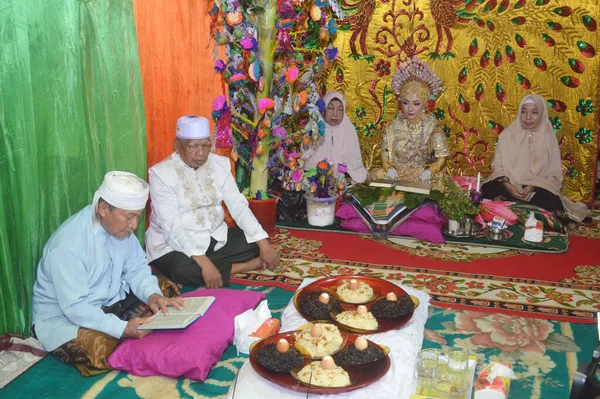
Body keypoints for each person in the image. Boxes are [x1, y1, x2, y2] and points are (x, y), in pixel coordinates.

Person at [32, 171, 184, 375]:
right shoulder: (69, 245)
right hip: (66, 317)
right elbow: (76, 307)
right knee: (99, 348)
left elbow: (137, 269)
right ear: (103, 208)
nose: (134, 225)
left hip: (112, 302)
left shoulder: (121, 229)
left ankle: (134, 328)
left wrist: (152, 295)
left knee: (164, 291)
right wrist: (121, 328)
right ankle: (130, 331)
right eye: (129, 217)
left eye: (138, 216)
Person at [146, 115, 280, 289]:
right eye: (193, 146)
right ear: (178, 146)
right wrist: (205, 264)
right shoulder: (161, 174)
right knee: (181, 269)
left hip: (214, 236)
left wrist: (264, 244)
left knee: (255, 243)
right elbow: (172, 226)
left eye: (205, 145)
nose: (201, 152)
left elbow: (238, 205)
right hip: (173, 243)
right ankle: (244, 266)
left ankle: (217, 265)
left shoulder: (220, 164)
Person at [482, 94, 590, 223]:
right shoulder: (507, 135)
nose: (528, 117)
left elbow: (553, 173)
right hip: (510, 183)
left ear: (542, 114)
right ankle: (525, 214)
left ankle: (513, 213)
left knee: (550, 199)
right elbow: (497, 167)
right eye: (524, 112)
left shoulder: (549, 138)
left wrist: (532, 186)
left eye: (534, 112)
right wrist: (508, 185)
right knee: (488, 189)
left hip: (537, 186)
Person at [370, 57, 449, 185]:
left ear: (424, 105)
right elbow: (384, 152)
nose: (410, 109)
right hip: (398, 174)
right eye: (406, 103)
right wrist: (389, 168)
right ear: (401, 103)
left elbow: (442, 158)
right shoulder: (393, 126)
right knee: (377, 174)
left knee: (440, 180)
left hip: (423, 175)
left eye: (416, 103)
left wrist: (430, 170)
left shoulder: (432, 127)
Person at [303, 91, 368, 183]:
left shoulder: (348, 128)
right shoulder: (314, 126)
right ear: (324, 109)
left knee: (360, 172)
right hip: (316, 171)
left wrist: (340, 168)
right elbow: (306, 154)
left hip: (341, 171)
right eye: (330, 108)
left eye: (340, 110)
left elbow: (354, 158)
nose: (335, 114)